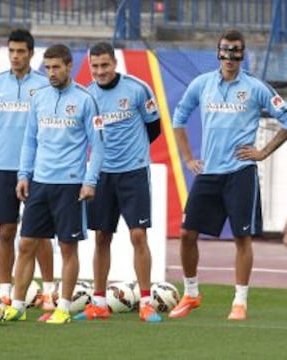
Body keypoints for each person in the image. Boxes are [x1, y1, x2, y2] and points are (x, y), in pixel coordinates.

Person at [169, 29, 287, 321]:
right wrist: (187, 158)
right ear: (217, 53)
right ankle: (191, 293)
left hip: (241, 172)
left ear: (243, 55)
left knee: (241, 238)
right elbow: (178, 117)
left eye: (236, 51)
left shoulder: (256, 88)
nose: (230, 56)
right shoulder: (202, 84)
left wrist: (262, 152)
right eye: (225, 50)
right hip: (209, 172)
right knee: (186, 234)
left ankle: (239, 301)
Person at [3, 44, 104, 324]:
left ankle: (63, 308)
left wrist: (90, 181)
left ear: (70, 66)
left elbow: (98, 145)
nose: (51, 73)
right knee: (26, 245)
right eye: (47, 68)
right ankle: (18, 305)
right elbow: (30, 140)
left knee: (68, 247)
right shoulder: (39, 98)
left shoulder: (85, 99)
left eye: (56, 67)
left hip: (70, 185)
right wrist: (24, 175)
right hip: (40, 182)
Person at [0, 28, 55, 310]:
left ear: (31, 53)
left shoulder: (44, 85)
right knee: (5, 231)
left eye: (20, 52)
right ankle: (4, 291)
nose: (15, 56)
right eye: (11, 51)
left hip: (36, 169)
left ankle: (50, 291)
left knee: (38, 234)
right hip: (2, 167)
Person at [74, 42, 162, 323]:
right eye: (95, 66)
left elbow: (154, 127)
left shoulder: (138, 88)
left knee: (138, 235)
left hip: (134, 172)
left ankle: (146, 302)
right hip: (101, 175)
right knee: (102, 236)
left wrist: (134, 152)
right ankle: (99, 302)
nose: (100, 71)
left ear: (114, 64)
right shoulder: (87, 95)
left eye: (105, 65)